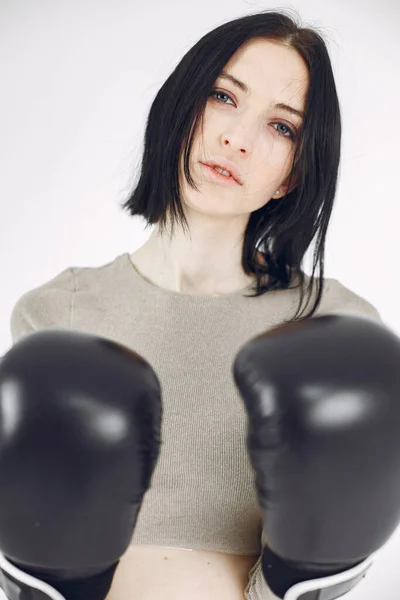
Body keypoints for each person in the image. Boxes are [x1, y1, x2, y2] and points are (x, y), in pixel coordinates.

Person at [3, 8, 395, 600]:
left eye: (282, 127)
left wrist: (306, 579)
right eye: (222, 96)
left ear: (291, 175)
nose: (235, 138)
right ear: (181, 106)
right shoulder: (59, 313)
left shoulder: (333, 325)